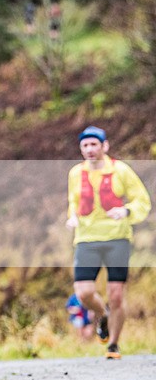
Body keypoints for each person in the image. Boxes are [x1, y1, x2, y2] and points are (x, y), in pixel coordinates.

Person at [66, 125, 151, 359]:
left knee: (116, 295)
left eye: (94, 144)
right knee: (84, 293)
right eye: (85, 145)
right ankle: (103, 314)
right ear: (81, 149)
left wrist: (126, 211)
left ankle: (113, 345)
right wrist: (72, 216)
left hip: (117, 238)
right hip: (86, 238)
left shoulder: (121, 170)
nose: (90, 149)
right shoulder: (75, 173)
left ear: (105, 146)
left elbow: (142, 200)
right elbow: (74, 201)